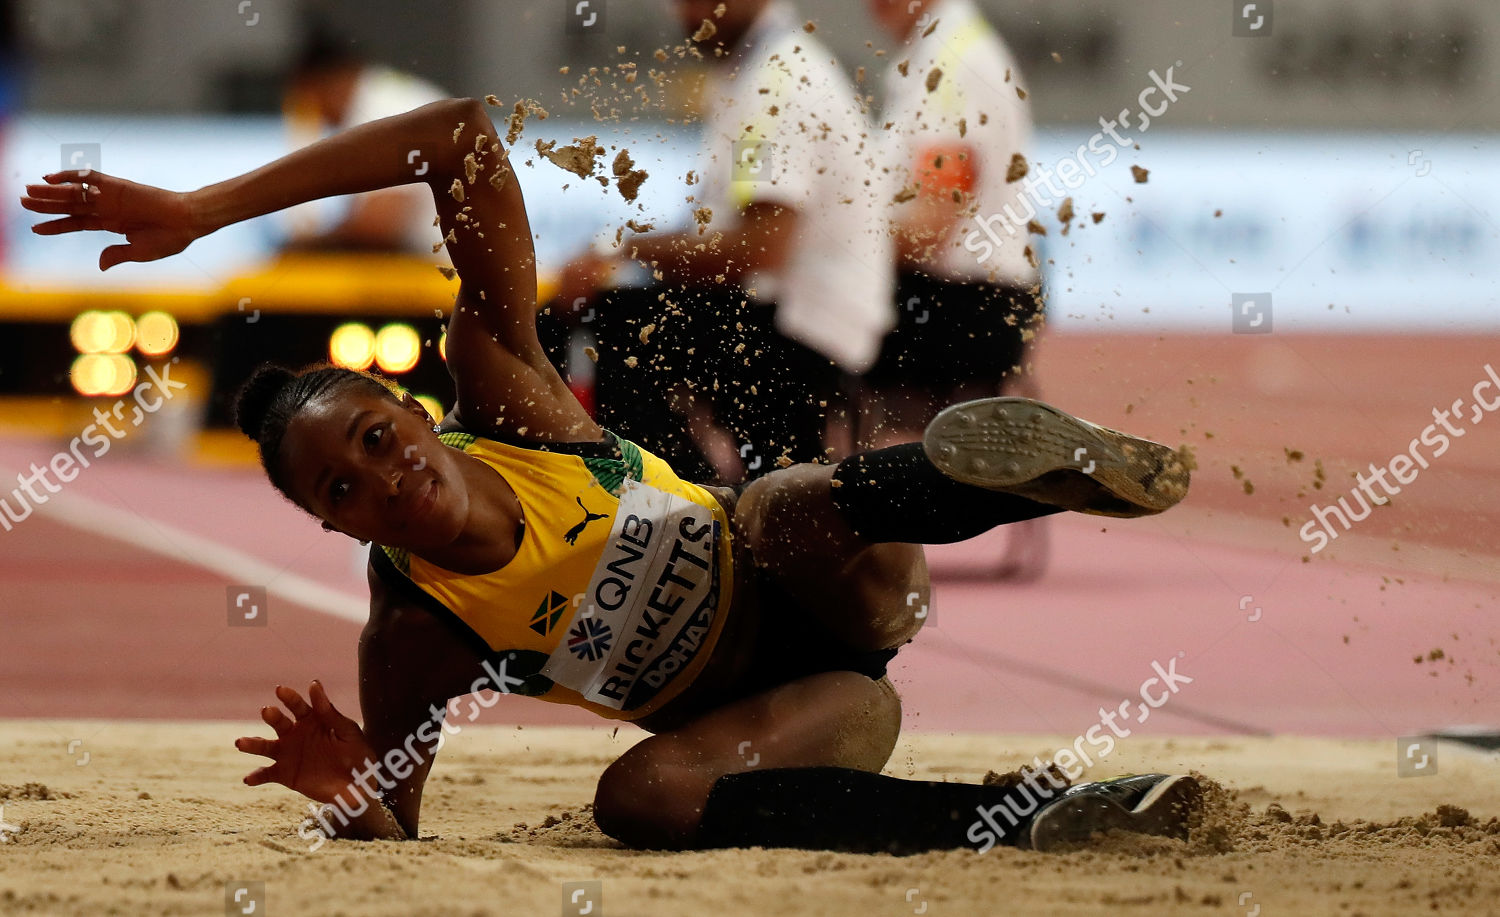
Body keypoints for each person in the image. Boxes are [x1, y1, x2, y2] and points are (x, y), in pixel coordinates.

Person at [23, 97, 1202, 854]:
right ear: (340, 527)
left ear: (421, 413)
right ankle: (1029, 813)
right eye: (344, 489)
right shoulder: (415, 632)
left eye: (378, 438)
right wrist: (346, 790)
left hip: (851, 582)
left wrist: (200, 208)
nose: (382, 479)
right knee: (634, 800)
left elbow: (463, 138)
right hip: (803, 716)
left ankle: (1028, 476)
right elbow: (399, 829)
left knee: (779, 501)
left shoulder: (513, 401)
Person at [557, 0, 894, 481]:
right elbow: (724, 241)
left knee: (599, 322)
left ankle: (685, 509)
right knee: (610, 315)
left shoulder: (777, 78)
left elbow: (757, 251)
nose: (685, 13)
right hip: (788, 313)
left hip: (804, 328)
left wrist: (622, 249)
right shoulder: (755, 71)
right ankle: (697, 503)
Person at [866, 0, 1051, 579]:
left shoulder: (956, 62)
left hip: (967, 312)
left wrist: (826, 249)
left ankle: (783, 523)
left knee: (786, 326)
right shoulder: (934, 54)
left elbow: (930, 224)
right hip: (956, 297)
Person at [280, 28, 448, 254]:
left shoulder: (384, 113)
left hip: (447, 275)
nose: (314, 116)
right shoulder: (386, 96)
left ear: (318, 88)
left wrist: (303, 247)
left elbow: (379, 225)